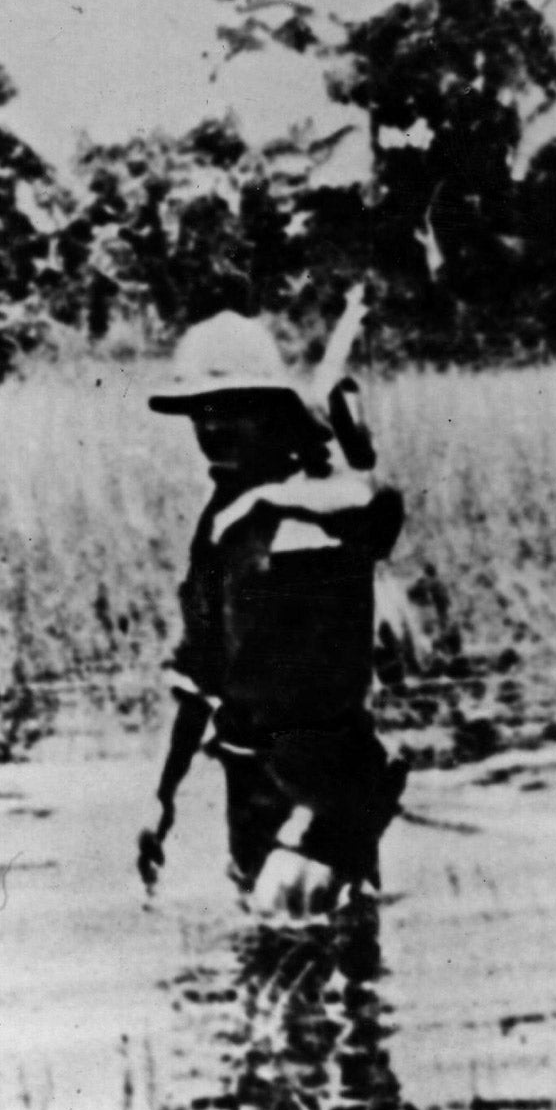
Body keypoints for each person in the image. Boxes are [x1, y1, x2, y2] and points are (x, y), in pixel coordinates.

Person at [137, 311, 409, 908]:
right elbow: (195, 676)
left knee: (309, 955)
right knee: (273, 963)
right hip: (252, 786)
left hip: (325, 785)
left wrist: (269, 498)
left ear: (273, 412)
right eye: (200, 412)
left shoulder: (307, 513)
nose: (212, 425)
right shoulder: (220, 523)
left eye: (232, 407)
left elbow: (374, 504)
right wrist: (159, 799)